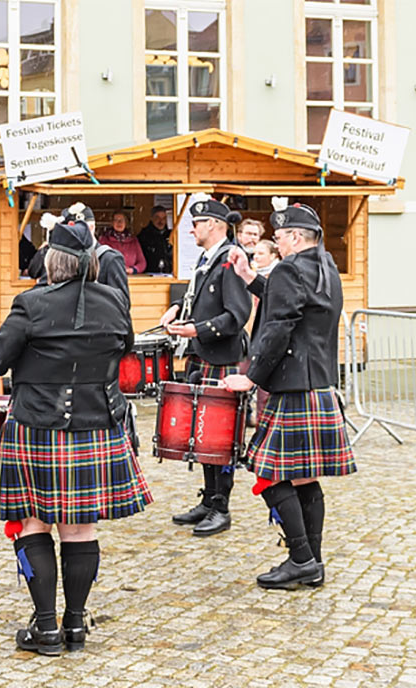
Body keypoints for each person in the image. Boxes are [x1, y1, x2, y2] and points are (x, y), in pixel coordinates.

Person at [0, 212, 151, 656]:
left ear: (53, 260)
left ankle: (46, 629)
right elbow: (123, 345)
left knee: (34, 524)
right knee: (80, 531)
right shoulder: (114, 300)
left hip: (37, 428)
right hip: (97, 428)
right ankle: (75, 626)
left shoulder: (31, 303)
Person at [221, 198, 355, 591]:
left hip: (292, 386)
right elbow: (296, 299)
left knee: (268, 473)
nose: (276, 245)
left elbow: (279, 325)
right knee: (304, 479)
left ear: (296, 237)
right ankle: (312, 561)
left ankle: (300, 558)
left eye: (279, 238)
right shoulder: (325, 267)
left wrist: (252, 377)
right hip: (319, 384)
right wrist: (251, 278)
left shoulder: (289, 268)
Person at [157, 197, 252, 538]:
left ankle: (221, 507)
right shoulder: (206, 258)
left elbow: (237, 316)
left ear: (213, 225)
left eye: (196, 223)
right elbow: (199, 298)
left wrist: (197, 329)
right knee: (202, 436)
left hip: (223, 357)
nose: (191, 229)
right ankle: (209, 499)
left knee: (221, 439)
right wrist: (176, 310)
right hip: (203, 356)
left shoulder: (231, 259)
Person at [26, 204, 129, 298]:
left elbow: (121, 303)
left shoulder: (109, 259)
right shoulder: (61, 257)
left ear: (91, 227)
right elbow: (40, 282)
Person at [96, 210, 145, 275]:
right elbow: (98, 260)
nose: (119, 223)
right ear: (112, 223)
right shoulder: (104, 240)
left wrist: (133, 270)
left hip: (130, 278)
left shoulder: (133, 241)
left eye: (122, 220)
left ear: (126, 223)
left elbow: (142, 262)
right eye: (116, 220)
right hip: (110, 277)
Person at [137, 205, 174, 276]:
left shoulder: (171, 234)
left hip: (168, 274)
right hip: (149, 274)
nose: (161, 221)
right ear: (151, 218)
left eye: (164, 218)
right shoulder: (144, 235)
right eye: (157, 217)